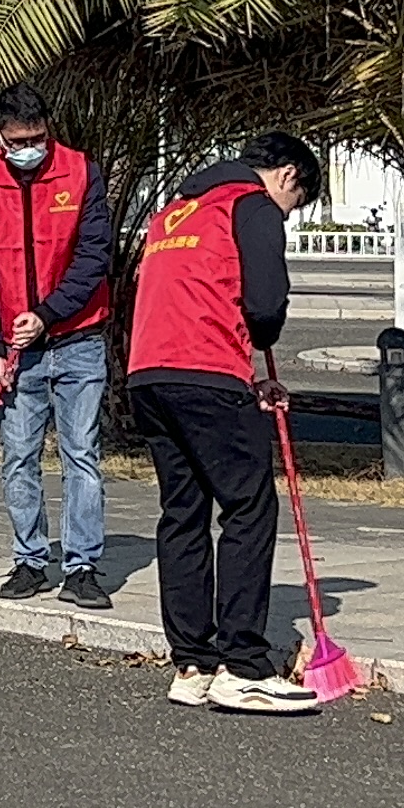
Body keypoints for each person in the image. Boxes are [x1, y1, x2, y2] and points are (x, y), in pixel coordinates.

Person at [126, 132, 323, 713]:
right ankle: (243, 665)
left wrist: (247, 374)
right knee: (249, 507)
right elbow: (264, 305)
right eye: (296, 203)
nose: (288, 212)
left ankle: (192, 663)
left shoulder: (174, 212)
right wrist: (260, 340)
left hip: (150, 373)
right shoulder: (253, 205)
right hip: (205, 369)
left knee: (183, 512)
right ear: (288, 175)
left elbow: (193, 292)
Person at [0, 83, 119, 609]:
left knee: (81, 455)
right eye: (19, 141)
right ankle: (29, 560)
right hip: (15, 350)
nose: (31, 148)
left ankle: (82, 567)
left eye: (38, 138)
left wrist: (48, 314)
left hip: (78, 338)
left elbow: (94, 257)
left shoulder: (80, 171)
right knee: (18, 456)